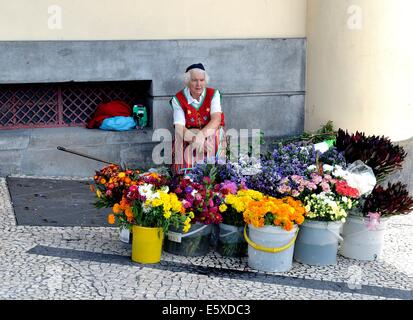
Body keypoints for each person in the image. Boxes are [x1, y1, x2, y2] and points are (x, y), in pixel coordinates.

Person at [170, 63, 226, 174]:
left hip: (209, 131)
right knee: (180, 138)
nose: (198, 84)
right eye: (194, 80)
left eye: (202, 80)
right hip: (189, 134)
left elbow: (216, 120)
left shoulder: (213, 94)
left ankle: (217, 173)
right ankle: (185, 177)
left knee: (216, 135)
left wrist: (201, 136)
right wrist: (196, 140)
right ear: (187, 81)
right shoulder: (178, 99)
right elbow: (179, 127)